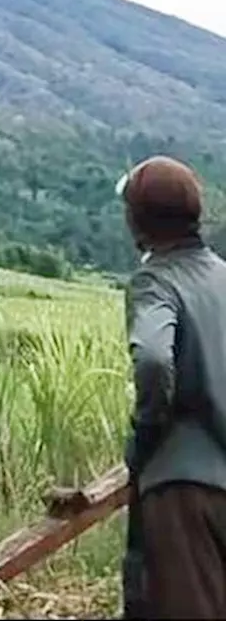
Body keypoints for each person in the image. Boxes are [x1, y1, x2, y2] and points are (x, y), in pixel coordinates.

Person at [120, 154, 226, 620]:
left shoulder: (155, 281)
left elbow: (154, 357)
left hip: (184, 489)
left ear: (139, 221)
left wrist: (147, 431)